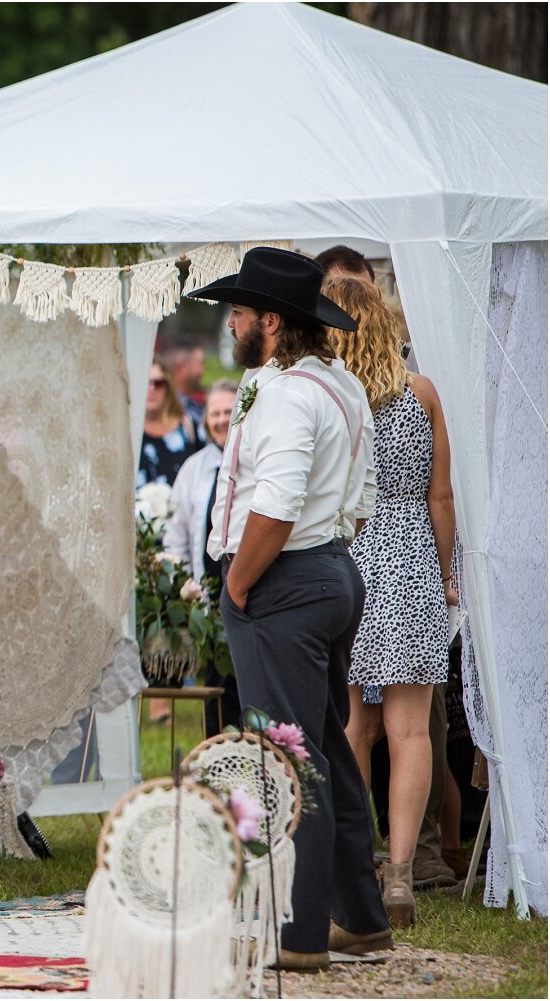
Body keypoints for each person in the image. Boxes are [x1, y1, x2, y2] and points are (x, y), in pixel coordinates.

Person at [193, 247, 391, 969]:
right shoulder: (337, 381)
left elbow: (273, 507)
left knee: (290, 757)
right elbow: (359, 502)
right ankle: (362, 918)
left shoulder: (284, 394)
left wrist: (240, 585)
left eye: (239, 313)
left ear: (272, 322)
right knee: (328, 748)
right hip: (333, 572)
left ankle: (302, 933)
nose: (232, 325)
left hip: (284, 582)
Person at [324, 275, 456, 927]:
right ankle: (400, 877)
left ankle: (354, 862)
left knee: (356, 725)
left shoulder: (330, 396)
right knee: (411, 732)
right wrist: (444, 569)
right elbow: (441, 497)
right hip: (410, 563)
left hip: (350, 556)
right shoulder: (423, 392)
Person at [163, 378, 240, 735]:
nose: (222, 419)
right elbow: (176, 535)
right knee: (218, 695)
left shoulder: (254, 460)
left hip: (253, 599)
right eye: (215, 413)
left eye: (229, 410)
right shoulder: (194, 468)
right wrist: (183, 583)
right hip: (210, 605)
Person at [136, 357, 201, 489]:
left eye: (158, 383)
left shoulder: (189, 428)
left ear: (168, 387)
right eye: (145, 382)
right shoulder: (126, 432)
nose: (151, 388)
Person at [166, 336, 208, 434]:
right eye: (200, 363)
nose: (203, 369)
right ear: (182, 366)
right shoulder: (167, 409)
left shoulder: (195, 404)